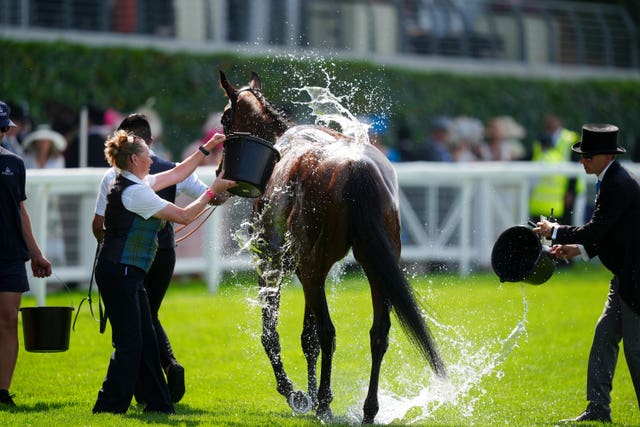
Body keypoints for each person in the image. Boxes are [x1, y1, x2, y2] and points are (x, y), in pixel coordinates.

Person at [92, 129, 236, 414]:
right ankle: (108, 408)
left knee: (144, 340)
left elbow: (178, 173)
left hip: (127, 274)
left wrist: (206, 148)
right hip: (119, 273)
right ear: (135, 159)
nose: (153, 158)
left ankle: (158, 403)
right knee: (130, 345)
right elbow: (183, 216)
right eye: (148, 153)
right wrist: (212, 191)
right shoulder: (135, 192)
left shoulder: (137, 180)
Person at [534, 123, 640, 423]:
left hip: (634, 278)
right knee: (604, 337)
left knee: (636, 350)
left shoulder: (617, 184)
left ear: (606, 156)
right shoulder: (611, 180)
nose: (582, 160)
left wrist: (554, 231)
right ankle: (598, 409)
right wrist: (577, 250)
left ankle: (598, 408)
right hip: (625, 275)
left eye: (587, 156)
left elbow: (596, 230)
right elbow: (612, 234)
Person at [0, 102, 53, 407]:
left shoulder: (14, 164)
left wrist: (36, 254)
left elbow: (20, 210)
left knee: (8, 320)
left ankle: (2, 391)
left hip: (8, 255)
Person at [22, 125, 69, 265]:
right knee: (33, 232)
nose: (43, 143)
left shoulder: (58, 159)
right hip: (31, 203)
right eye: (40, 140)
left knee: (54, 236)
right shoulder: (28, 158)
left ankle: (56, 269)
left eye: (46, 141)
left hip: (52, 205)